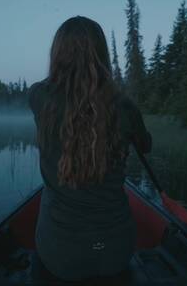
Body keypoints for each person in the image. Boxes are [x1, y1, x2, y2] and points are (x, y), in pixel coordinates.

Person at [28, 15, 152, 282]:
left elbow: (65, 99)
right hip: (117, 254)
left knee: (48, 197)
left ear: (57, 54)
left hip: (61, 257)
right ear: (101, 54)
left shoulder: (38, 97)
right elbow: (146, 145)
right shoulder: (125, 107)